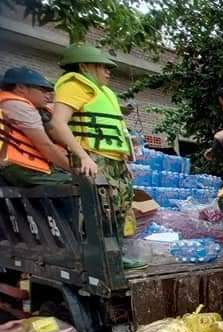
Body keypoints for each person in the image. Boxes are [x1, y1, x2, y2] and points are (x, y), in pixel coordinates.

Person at [48, 43, 134, 233]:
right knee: (98, 207)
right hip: (92, 156)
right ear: (85, 66)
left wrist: (124, 160)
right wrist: (83, 156)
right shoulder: (74, 86)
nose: (108, 72)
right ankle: (98, 256)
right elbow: (57, 124)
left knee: (119, 204)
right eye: (103, 67)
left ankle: (116, 253)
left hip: (114, 159)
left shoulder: (104, 92)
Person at [0, 67, 80, 186]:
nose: (48, 95)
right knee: (79, 184)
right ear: (21, 88)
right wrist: (75, 172)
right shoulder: (19, 106)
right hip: (21, 169)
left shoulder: (8, 102)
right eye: (42, 89)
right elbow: (45, 146)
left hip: (19, 168)